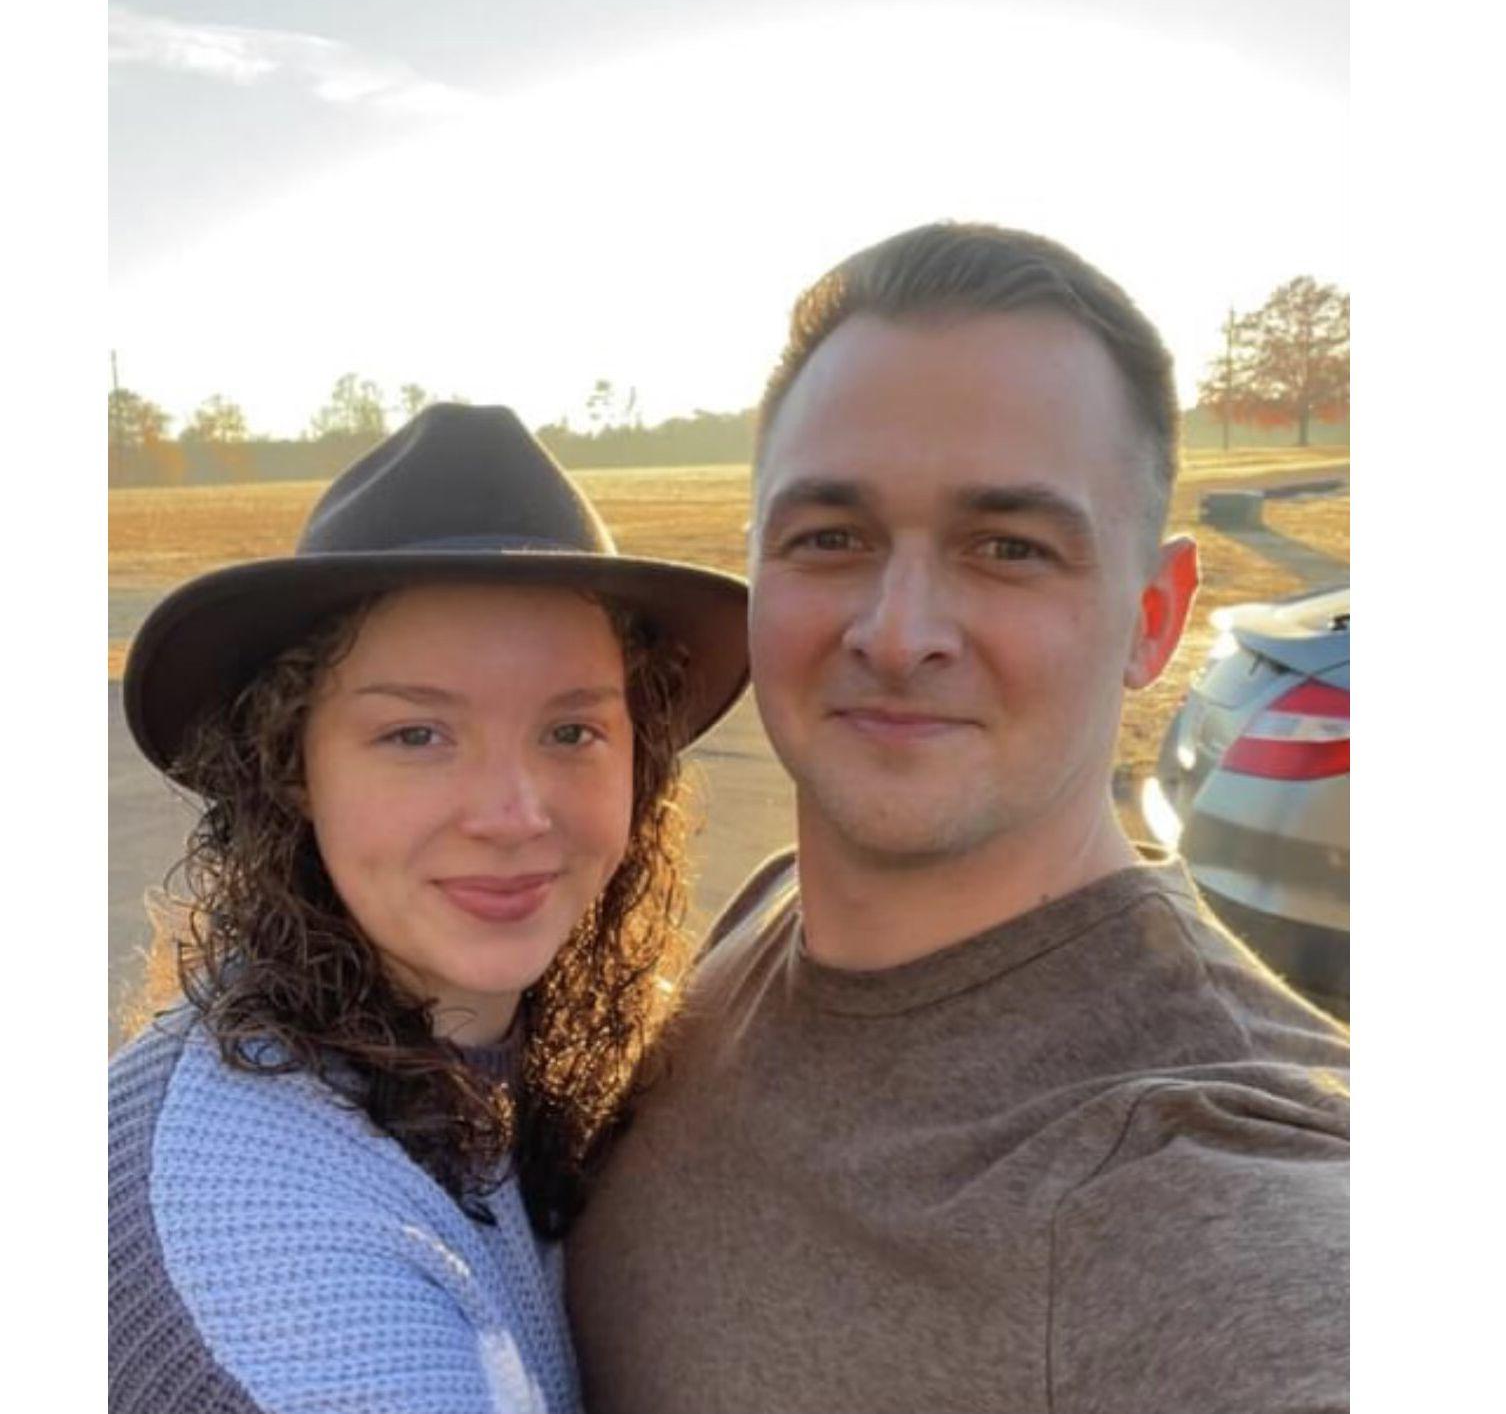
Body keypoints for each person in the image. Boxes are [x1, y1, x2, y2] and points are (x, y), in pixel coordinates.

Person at [566, 223, 1349, 1414]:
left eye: (1009, 548)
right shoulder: (771, 916)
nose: (897, 632)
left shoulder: (1225, 1197)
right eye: (832, 538)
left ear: (1153, 617)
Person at [108, 402, 748, 1414]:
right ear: (291, 764)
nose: (513, 815)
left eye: (572, 732)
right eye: (416, 735)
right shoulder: (286, 1256)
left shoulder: (463, 1067)